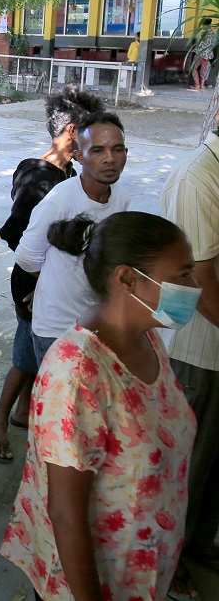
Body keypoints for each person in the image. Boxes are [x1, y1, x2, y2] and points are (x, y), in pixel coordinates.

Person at [2, 211, 199, 601]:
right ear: (128, 279)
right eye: (182, 276)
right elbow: (66, 513)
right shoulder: (76, 374)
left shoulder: (147, 339)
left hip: (141, 563)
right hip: (93, 581)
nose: (194, 287)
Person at [0, 87, 105, 463]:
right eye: (90, 132)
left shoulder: (67, 171)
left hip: (54, 282)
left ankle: (20, 413)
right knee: (25, 353)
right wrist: (41, 282)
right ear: (70, 130)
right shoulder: (39, 177)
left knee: (34, 350)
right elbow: (13, 232)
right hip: (32, 282)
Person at [16, 111, 131, 365]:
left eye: (118, 149)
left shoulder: (121, 198)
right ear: (79, 156)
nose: (110, 159)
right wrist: (50, 285)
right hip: (57, 329)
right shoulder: (60, 201)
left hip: (97, 321)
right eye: (98, 150)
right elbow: (26, 257)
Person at [161, 116, 219, 600]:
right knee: (188, 468)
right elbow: (202, 279)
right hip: (198, 352)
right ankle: (170, 559)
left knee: (211, 464)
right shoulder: (199, 178)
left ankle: (197, 546)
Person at [191, 18, 215, 90]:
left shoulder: (203, 33)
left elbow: (199, 43)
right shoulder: (213, 33)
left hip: (200, 54)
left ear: (204, 24)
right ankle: (202, 85)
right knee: (204, 69)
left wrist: (195, 51)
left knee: (193, 69)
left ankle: (197, 84)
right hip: (208, 55)